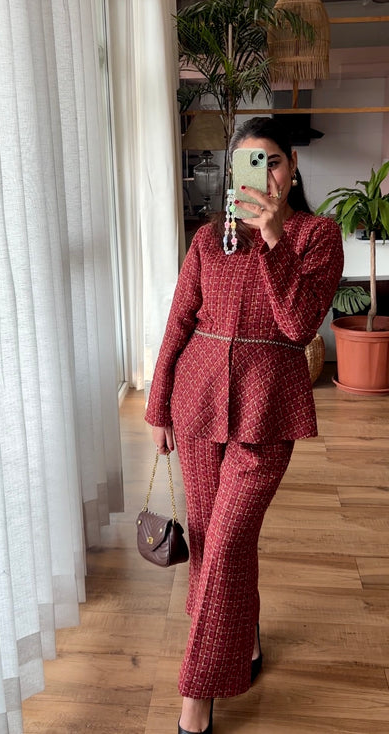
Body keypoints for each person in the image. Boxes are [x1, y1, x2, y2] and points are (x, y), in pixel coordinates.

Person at [144, 116, 344, 734]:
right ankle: (242, 631)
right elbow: (180, 322)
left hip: (268, 408)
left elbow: (297, 326)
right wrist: (157, 403)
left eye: (273, 161)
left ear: (292, 168)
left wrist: (275, 237)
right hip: (196, 402)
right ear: (234, 173)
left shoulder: (318, 236)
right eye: (250, 163)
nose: (265, 174)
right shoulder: (209, 239)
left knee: (228, 542)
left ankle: (195, 698)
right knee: (212, 543)